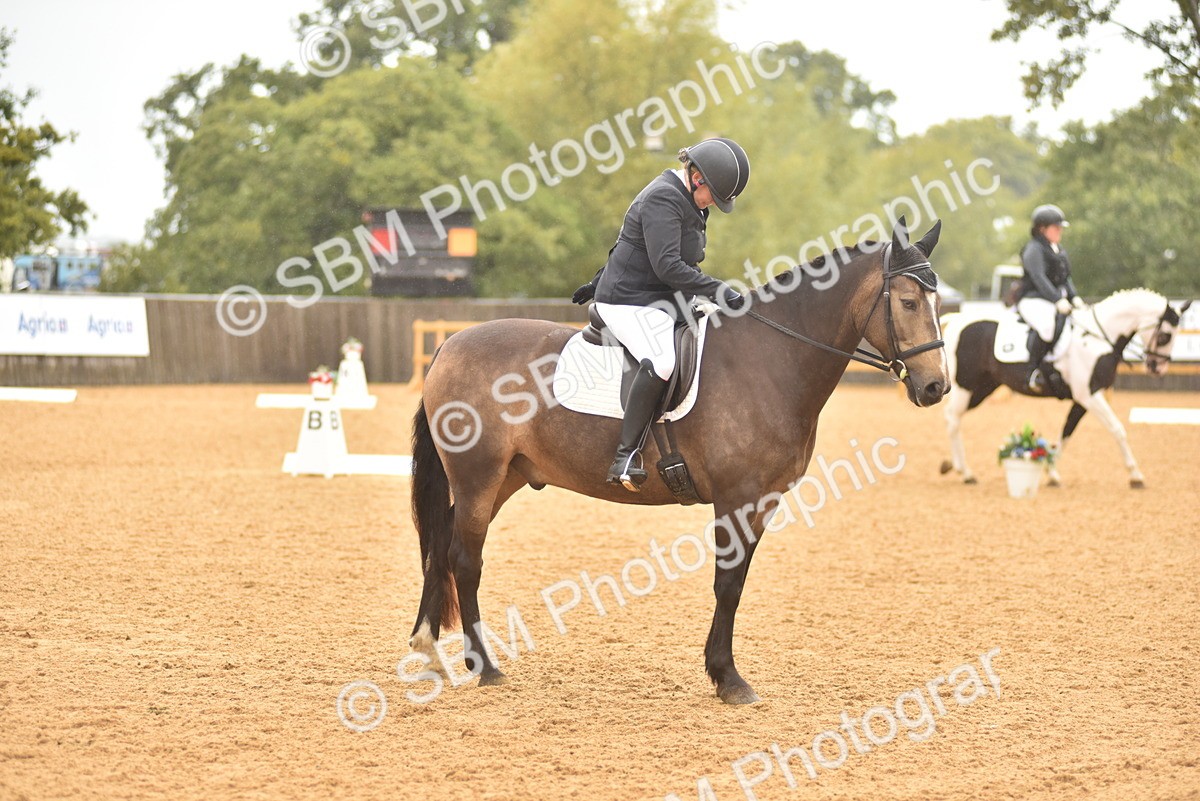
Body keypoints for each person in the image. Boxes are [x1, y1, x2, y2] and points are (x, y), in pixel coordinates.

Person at [571, 137, 750, 491]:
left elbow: (647, 249)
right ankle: (625, 456)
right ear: (697, 178)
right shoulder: (663, 197)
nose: (713, 204)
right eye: (713, 195)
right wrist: (718, 291)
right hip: (629, 301)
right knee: (662, 361)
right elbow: (667, 265)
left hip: (660, 299)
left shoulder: (690, 200)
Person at [1015, 204, 1083, 393]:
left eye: (1060, 227)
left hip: (1052, 300)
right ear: (1042, 229)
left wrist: (1074, 297)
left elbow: (1066, 278)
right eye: (1056, 227)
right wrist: (1057, 299)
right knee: (1047, 327)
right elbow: (1039, 277)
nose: (1060, 230)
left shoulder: (1057, 249)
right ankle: (1033, 371)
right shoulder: (1033, 249)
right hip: (1032, 299)